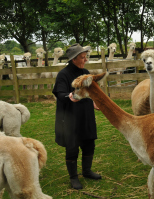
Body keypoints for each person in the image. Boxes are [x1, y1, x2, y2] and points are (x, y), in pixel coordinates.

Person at [52, 43, 101, 190]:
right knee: (72, 147)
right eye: (82, 57)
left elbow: (91, 92)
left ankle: (86, 171)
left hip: (86, 114)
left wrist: (94, 102)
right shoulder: (63, 74)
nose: (85, 60)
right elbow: (59, 93)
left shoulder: (85, 72)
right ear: (74, 59)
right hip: (71, 117)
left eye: (85, 57)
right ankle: (73, 177)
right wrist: (69, 95)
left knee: (89, 143)